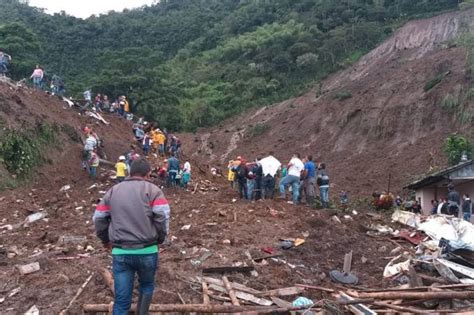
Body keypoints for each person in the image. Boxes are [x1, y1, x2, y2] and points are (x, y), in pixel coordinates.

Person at [93, 159, 170, 315]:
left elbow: (99, 218)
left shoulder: (113, 191)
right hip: (147, 251)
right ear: (148, 174)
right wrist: (160, 239)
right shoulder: (154, 191)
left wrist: (105, 240)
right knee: (146, 286)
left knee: (122, 300)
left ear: (129, 172)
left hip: (121, 252)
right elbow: (162, 217)